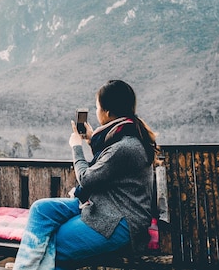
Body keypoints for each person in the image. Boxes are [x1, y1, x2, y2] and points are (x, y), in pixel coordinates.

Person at [12, 79, 158, 270]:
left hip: (119, 221)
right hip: (102, 206)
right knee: (41, 209)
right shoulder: (122, 139)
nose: (96, 112)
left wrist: (76, 147)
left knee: (52, 244)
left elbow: (87, 179)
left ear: (107, 112)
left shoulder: (125, 146)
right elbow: (106, 165)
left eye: (97, 107)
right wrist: (91, 141)